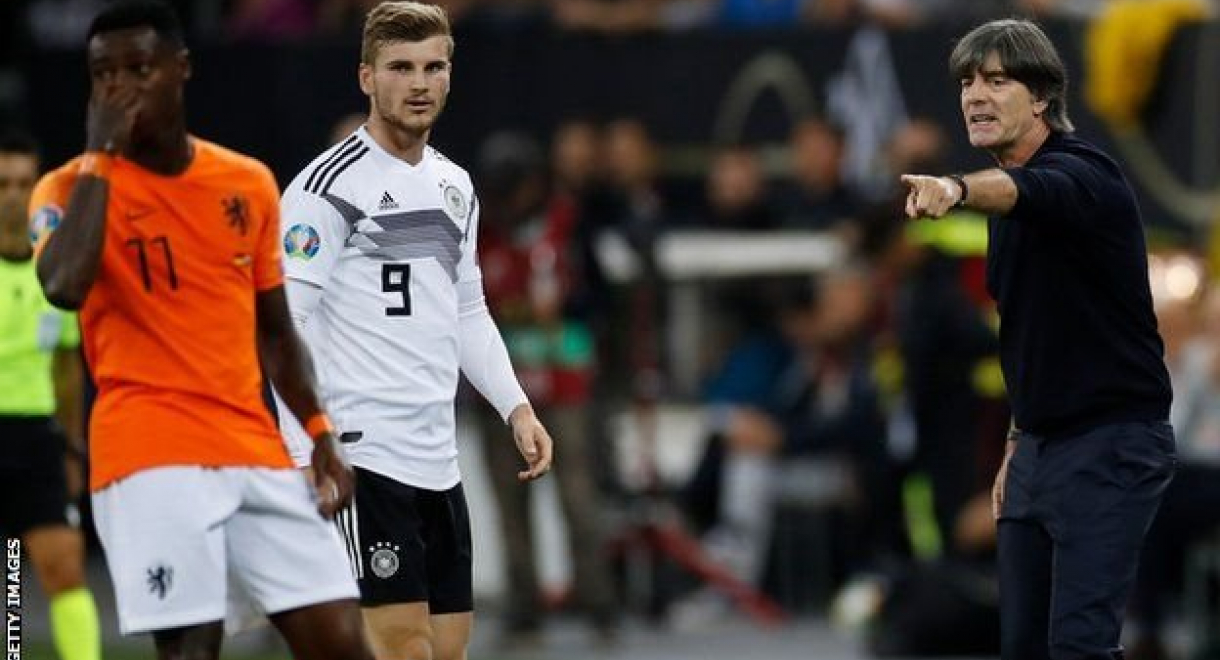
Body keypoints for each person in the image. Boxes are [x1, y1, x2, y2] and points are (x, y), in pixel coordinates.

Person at [29, 3, 374, 659]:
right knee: (192, 648)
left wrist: (319, 429)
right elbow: (63, 285)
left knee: (341, 640)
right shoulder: (66, 189)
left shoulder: (246, 182)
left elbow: (277, 333)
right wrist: (100, 155)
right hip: (149, 451)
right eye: (104, 74)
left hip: (251, 447)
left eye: (139, 68)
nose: (120, 87)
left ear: (181, 68)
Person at [273, 3, 554, 660]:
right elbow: (286, 325)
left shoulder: (454, 186)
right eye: (401, 67)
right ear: (367, 77)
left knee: (447, 649)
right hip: (361, 454)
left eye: (434, 67)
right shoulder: (325, 189)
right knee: (402, 649)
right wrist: (302, 451)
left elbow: (468, 310)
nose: (420, 83)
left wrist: (516, 407)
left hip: (438, 457)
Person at [901, 18, 1176, 660]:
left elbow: (1029, 189)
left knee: (1079, 646)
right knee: (1024, 647)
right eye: (968, 82)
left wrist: (954, 188)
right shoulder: (1005, 214)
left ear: (1043, 98)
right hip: (1038, 449)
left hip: (1112, 442)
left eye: (998, 81)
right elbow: (1030, 337)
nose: (976, 95)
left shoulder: (1087, 174)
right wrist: (1017, 440)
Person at [0, 132, 102, 660]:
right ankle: (13, 646)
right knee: (12, 575)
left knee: (63, 565)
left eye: (24, 183)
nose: (14, 196)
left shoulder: (54, 270)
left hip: (36, 436)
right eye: (3, 184)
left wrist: (72, 447)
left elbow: (67, 368)